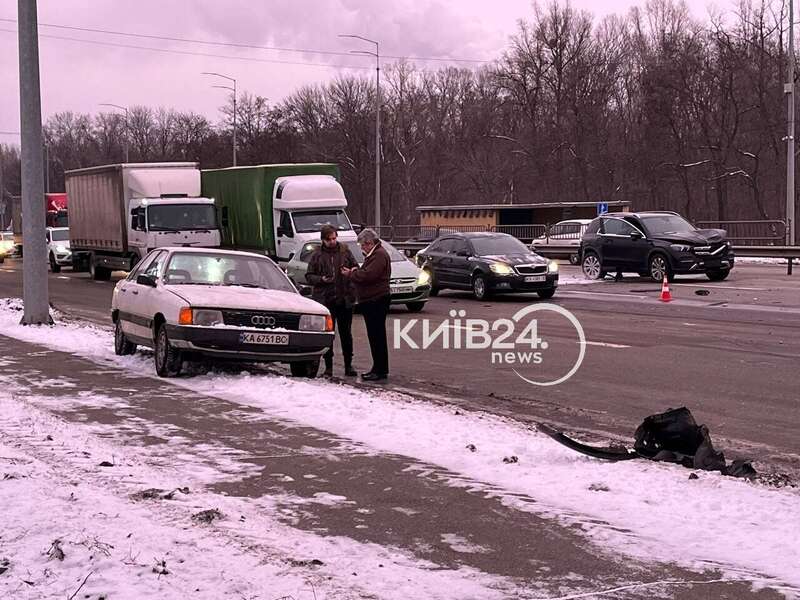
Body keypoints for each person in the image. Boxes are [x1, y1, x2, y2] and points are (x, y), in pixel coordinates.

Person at [306, 225, 359, 377]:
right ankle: (328, 367)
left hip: (345, 299)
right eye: (329, 239)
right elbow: (309, 276)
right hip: (326, 300)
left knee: (346, 334)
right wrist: (321, 279)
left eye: (334, 238)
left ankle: (348, 365)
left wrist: (350, 272)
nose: (332, 241)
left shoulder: (345, 251)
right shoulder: (317, 255)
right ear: (323, 240)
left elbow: (355, 267)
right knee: (329, 335)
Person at [341, 228, 391, 381]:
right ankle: (378, 368)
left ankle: (380, 370)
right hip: (374, 299)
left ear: (369, 243)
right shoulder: (376, 254)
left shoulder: (379, 255)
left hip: (376, 299)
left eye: (363, 245)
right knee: (376, 336)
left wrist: (351, 273)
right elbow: (367, 273)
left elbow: (368, 275)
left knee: (377, 336)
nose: (362, 248)